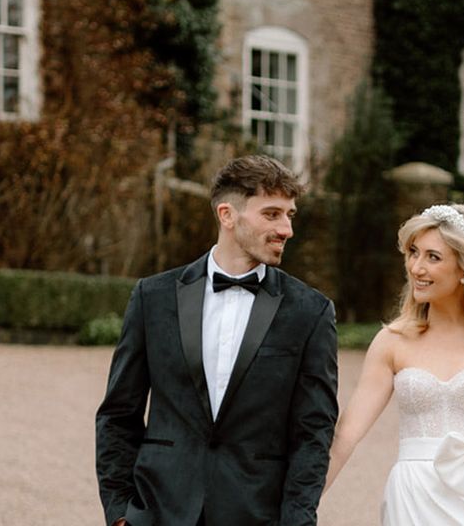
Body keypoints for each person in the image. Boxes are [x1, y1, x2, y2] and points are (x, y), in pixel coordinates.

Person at [95, 154, 339, 526]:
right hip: (159, 510)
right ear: (227, 215)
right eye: (272, 214)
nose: (287, 229)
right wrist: (119, 512)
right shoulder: (153, 297)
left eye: (290, 215)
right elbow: (118, 414)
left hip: (255, 513)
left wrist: (298, 521)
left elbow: (313, 433)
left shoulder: (311, 312)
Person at [325, 203, 464, 525]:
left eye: (433, 257)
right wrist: (297, 506)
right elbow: (345, 437)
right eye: (413, 252)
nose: (416, 267)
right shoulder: (392, 342)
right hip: (414, 502)